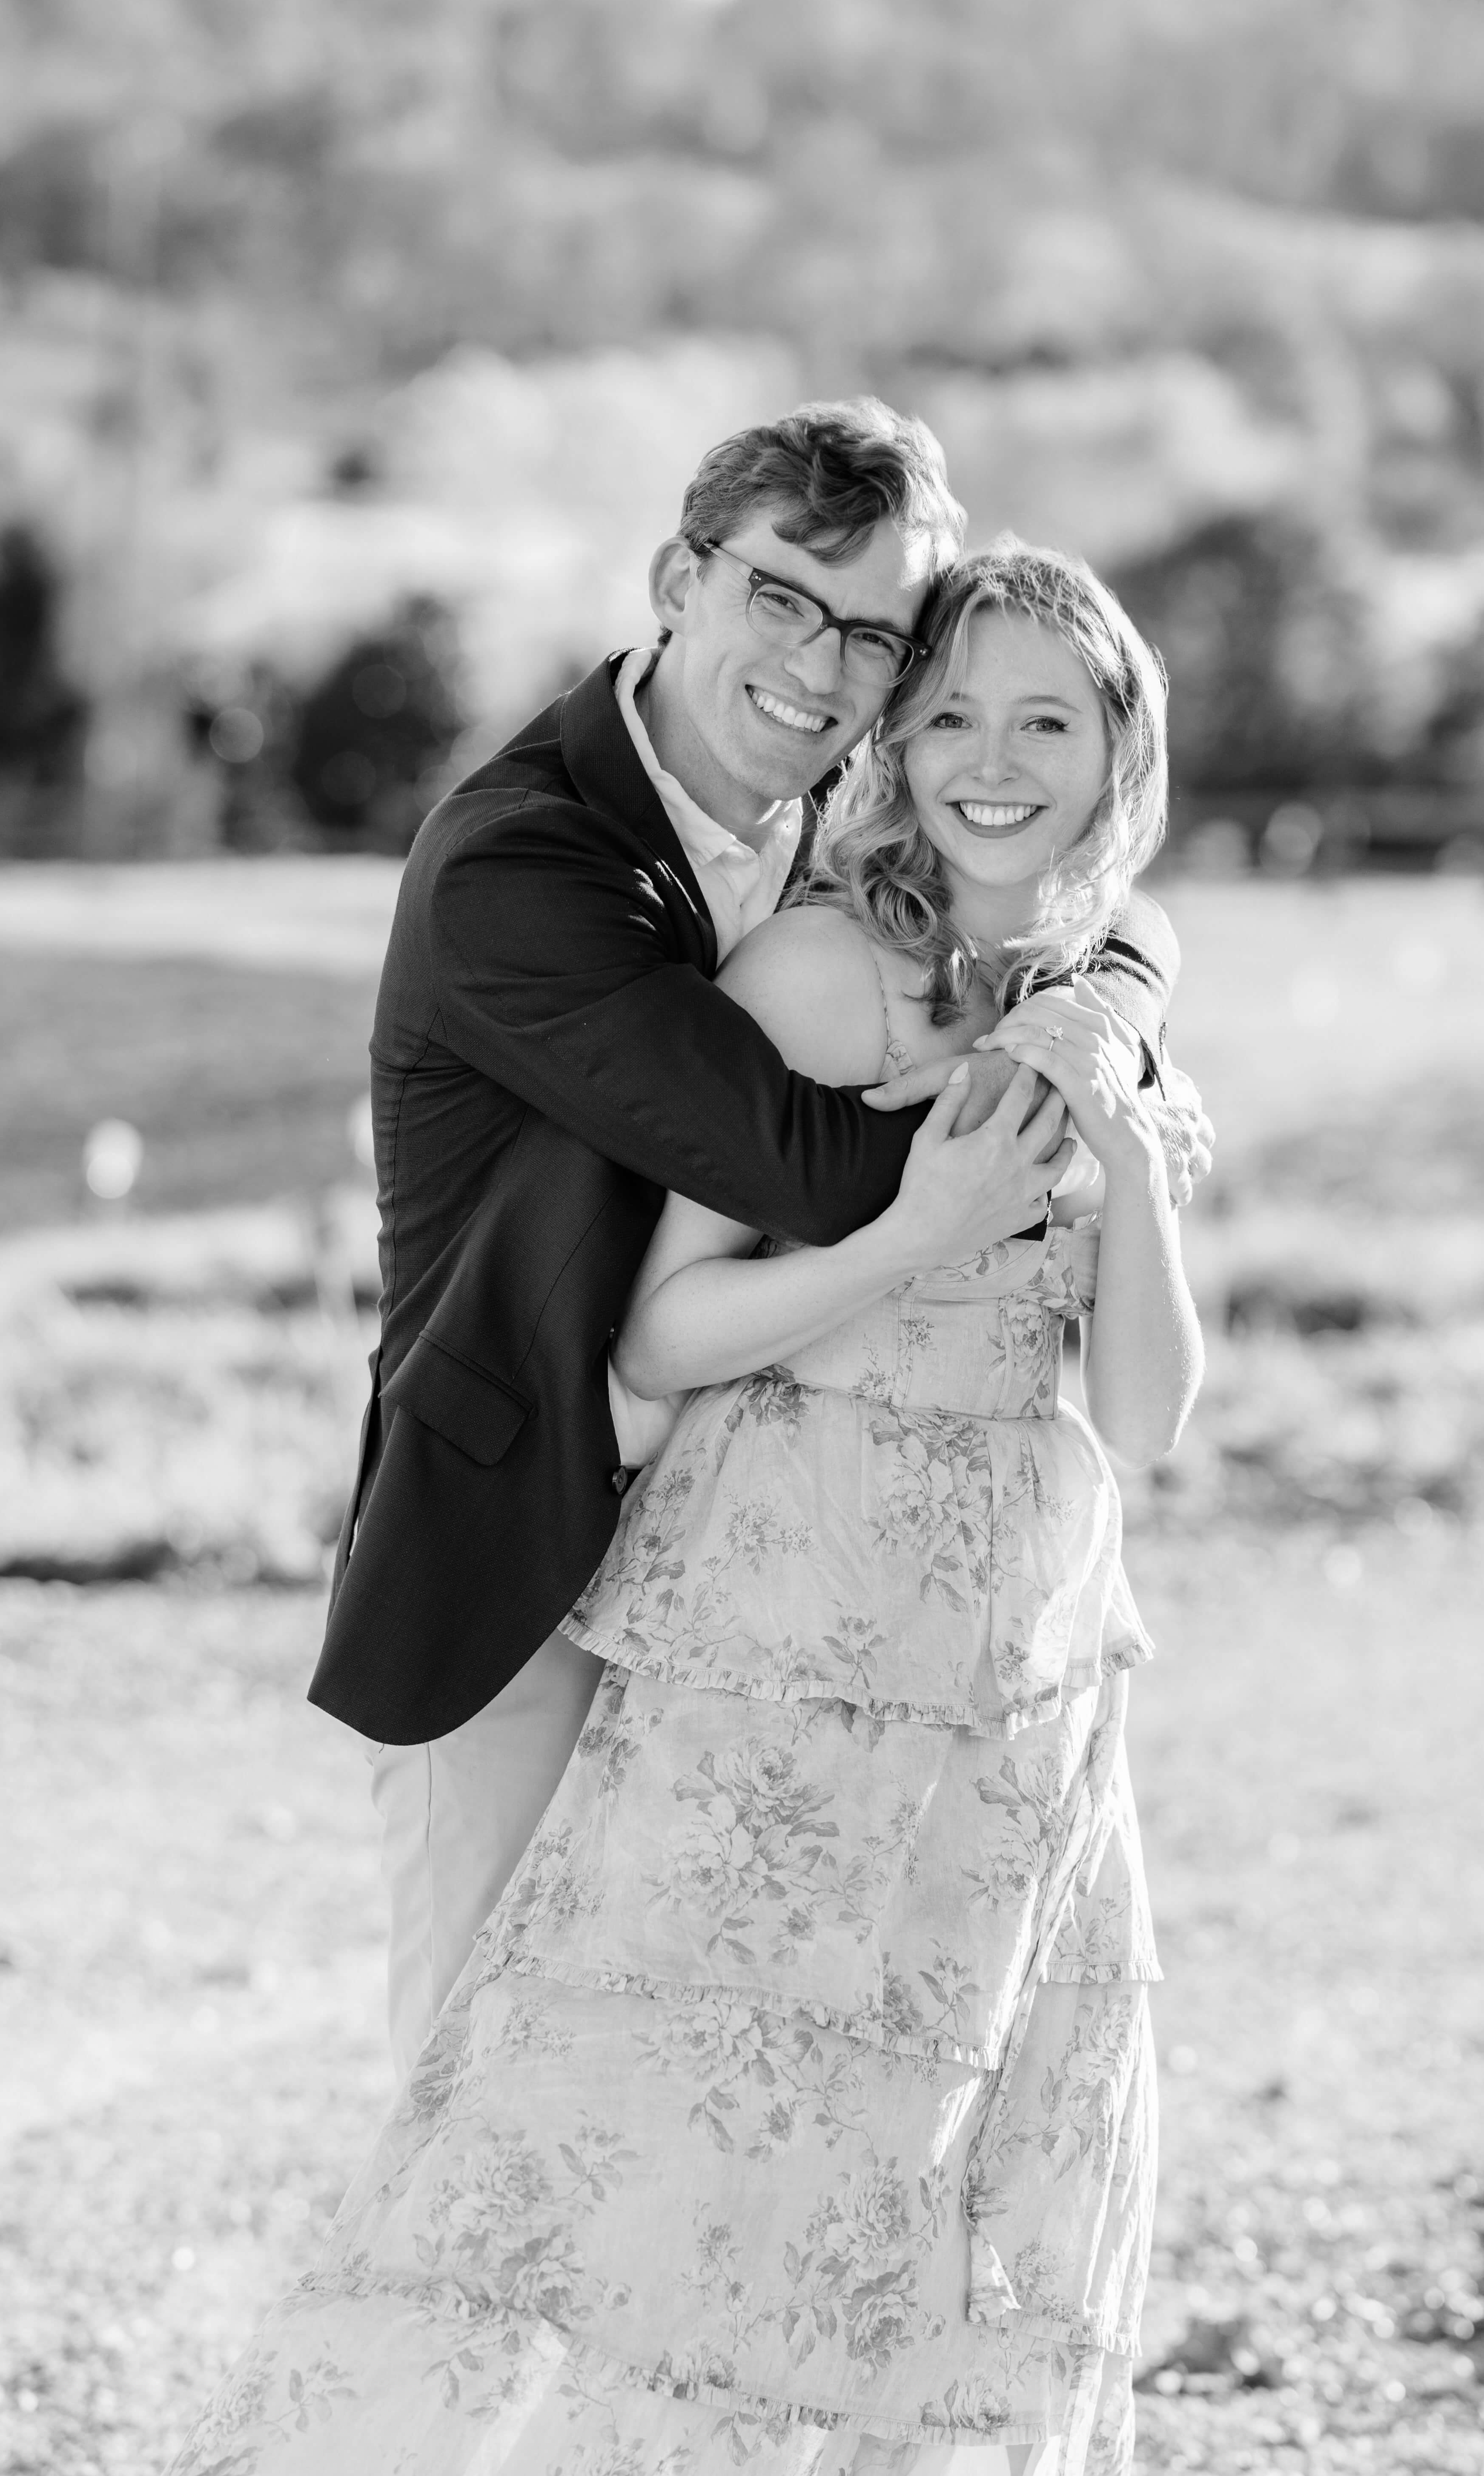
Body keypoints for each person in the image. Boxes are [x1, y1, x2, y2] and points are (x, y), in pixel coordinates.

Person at [31, 535, 1204, 2476]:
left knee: (916, 2248)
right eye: (957, 714)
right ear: (902, 740)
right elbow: (671, 1332)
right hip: (791, 1656)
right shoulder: (807, 962)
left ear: (1119, 760)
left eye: (1048, 728)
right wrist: (941, 1199)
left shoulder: (1117, 1008)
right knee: (701, 2216)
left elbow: (1149, 1410)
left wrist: (1107, 1142)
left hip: (1011, 1684)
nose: (993, 763)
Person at [300, 398, 1192, 2090]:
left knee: (716, 2096)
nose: (822, 666)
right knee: (486, 2091)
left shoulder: (823, 799)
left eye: (871, 637)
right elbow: (796, 1157)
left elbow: (1076, 877)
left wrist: (1119, 1007)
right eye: (782, 599)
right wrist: (1061, 1124)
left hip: (761, 1560)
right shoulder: (523, 863)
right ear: (675, 580)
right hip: (535, 1520)